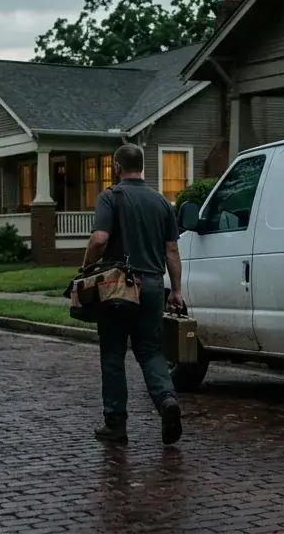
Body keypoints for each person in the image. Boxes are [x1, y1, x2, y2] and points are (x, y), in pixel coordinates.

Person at [83, 143, 185, 445]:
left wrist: (86, 266)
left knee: (113, 353)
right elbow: (172, 251)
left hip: (119, 285)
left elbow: (100, 239)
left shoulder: (110, 197)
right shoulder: (163, 202)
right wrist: (176, 290)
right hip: (154, 285)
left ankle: (116, 424)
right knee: (151, 351)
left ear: (116, 167)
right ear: (143, 166)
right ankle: (166, 400)